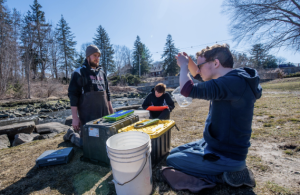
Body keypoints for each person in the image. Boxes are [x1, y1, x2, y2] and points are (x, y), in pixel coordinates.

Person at [166, 44, 262, 187]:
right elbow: (199, 75)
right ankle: (225, 169)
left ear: (216, 63)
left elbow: (187, 89)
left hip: (227, 155)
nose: (198, 70)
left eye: (200, 65)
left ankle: (227, 175)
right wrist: (190, 61)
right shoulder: (232, 80)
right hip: (214, 144)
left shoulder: (232, 83)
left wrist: (184, 66)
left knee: (172, 160)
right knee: (174, 152)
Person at [64, 45, 114, 147]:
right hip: (88, 117)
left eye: (99, 56)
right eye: (94, 55)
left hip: (103, 115)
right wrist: (74, 117)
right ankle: (71, 135)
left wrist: (111, 110)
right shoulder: (79, 72)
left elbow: (107, 93)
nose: (97, 58)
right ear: (88, 57)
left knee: (107, 141)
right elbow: (73, 95)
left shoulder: (102, 73)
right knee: (87, 145)